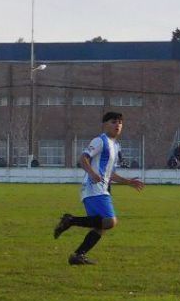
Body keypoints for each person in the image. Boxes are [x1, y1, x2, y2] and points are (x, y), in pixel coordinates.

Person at [53, 112, 145, 265]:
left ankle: (78, 255)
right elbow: (83, 158)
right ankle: (70, 220)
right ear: (105, 124)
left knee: (99, 227)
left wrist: (128, 181)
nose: (118, 125)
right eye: (114, 122)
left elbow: (109, 173)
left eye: (120, 122)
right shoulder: (100, 141)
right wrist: (92, 173)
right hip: (94, 187)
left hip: (103, 187)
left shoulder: (115, 146)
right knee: (110, 221)